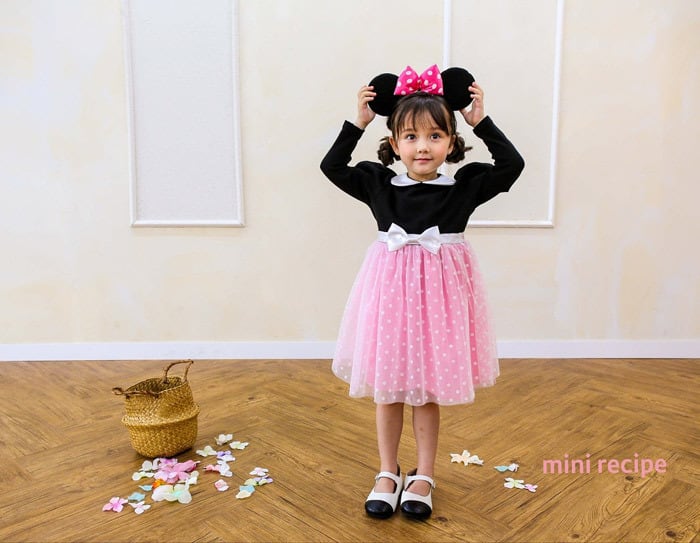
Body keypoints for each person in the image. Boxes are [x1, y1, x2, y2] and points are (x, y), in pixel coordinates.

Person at [320, 65, 525, 520]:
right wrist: (358, 122)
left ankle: (424, 474)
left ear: (451, 142)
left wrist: (481, 121)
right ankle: (387, 472)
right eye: (410, 137)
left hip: (439, 303)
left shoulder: (465, 187)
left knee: (427, 391)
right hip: (390, 298)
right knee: (389, 390)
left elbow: (512, 165)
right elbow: (331, 166)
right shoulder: (378, 183)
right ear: (395, 144)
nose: (423, 147)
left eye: (435, 136)